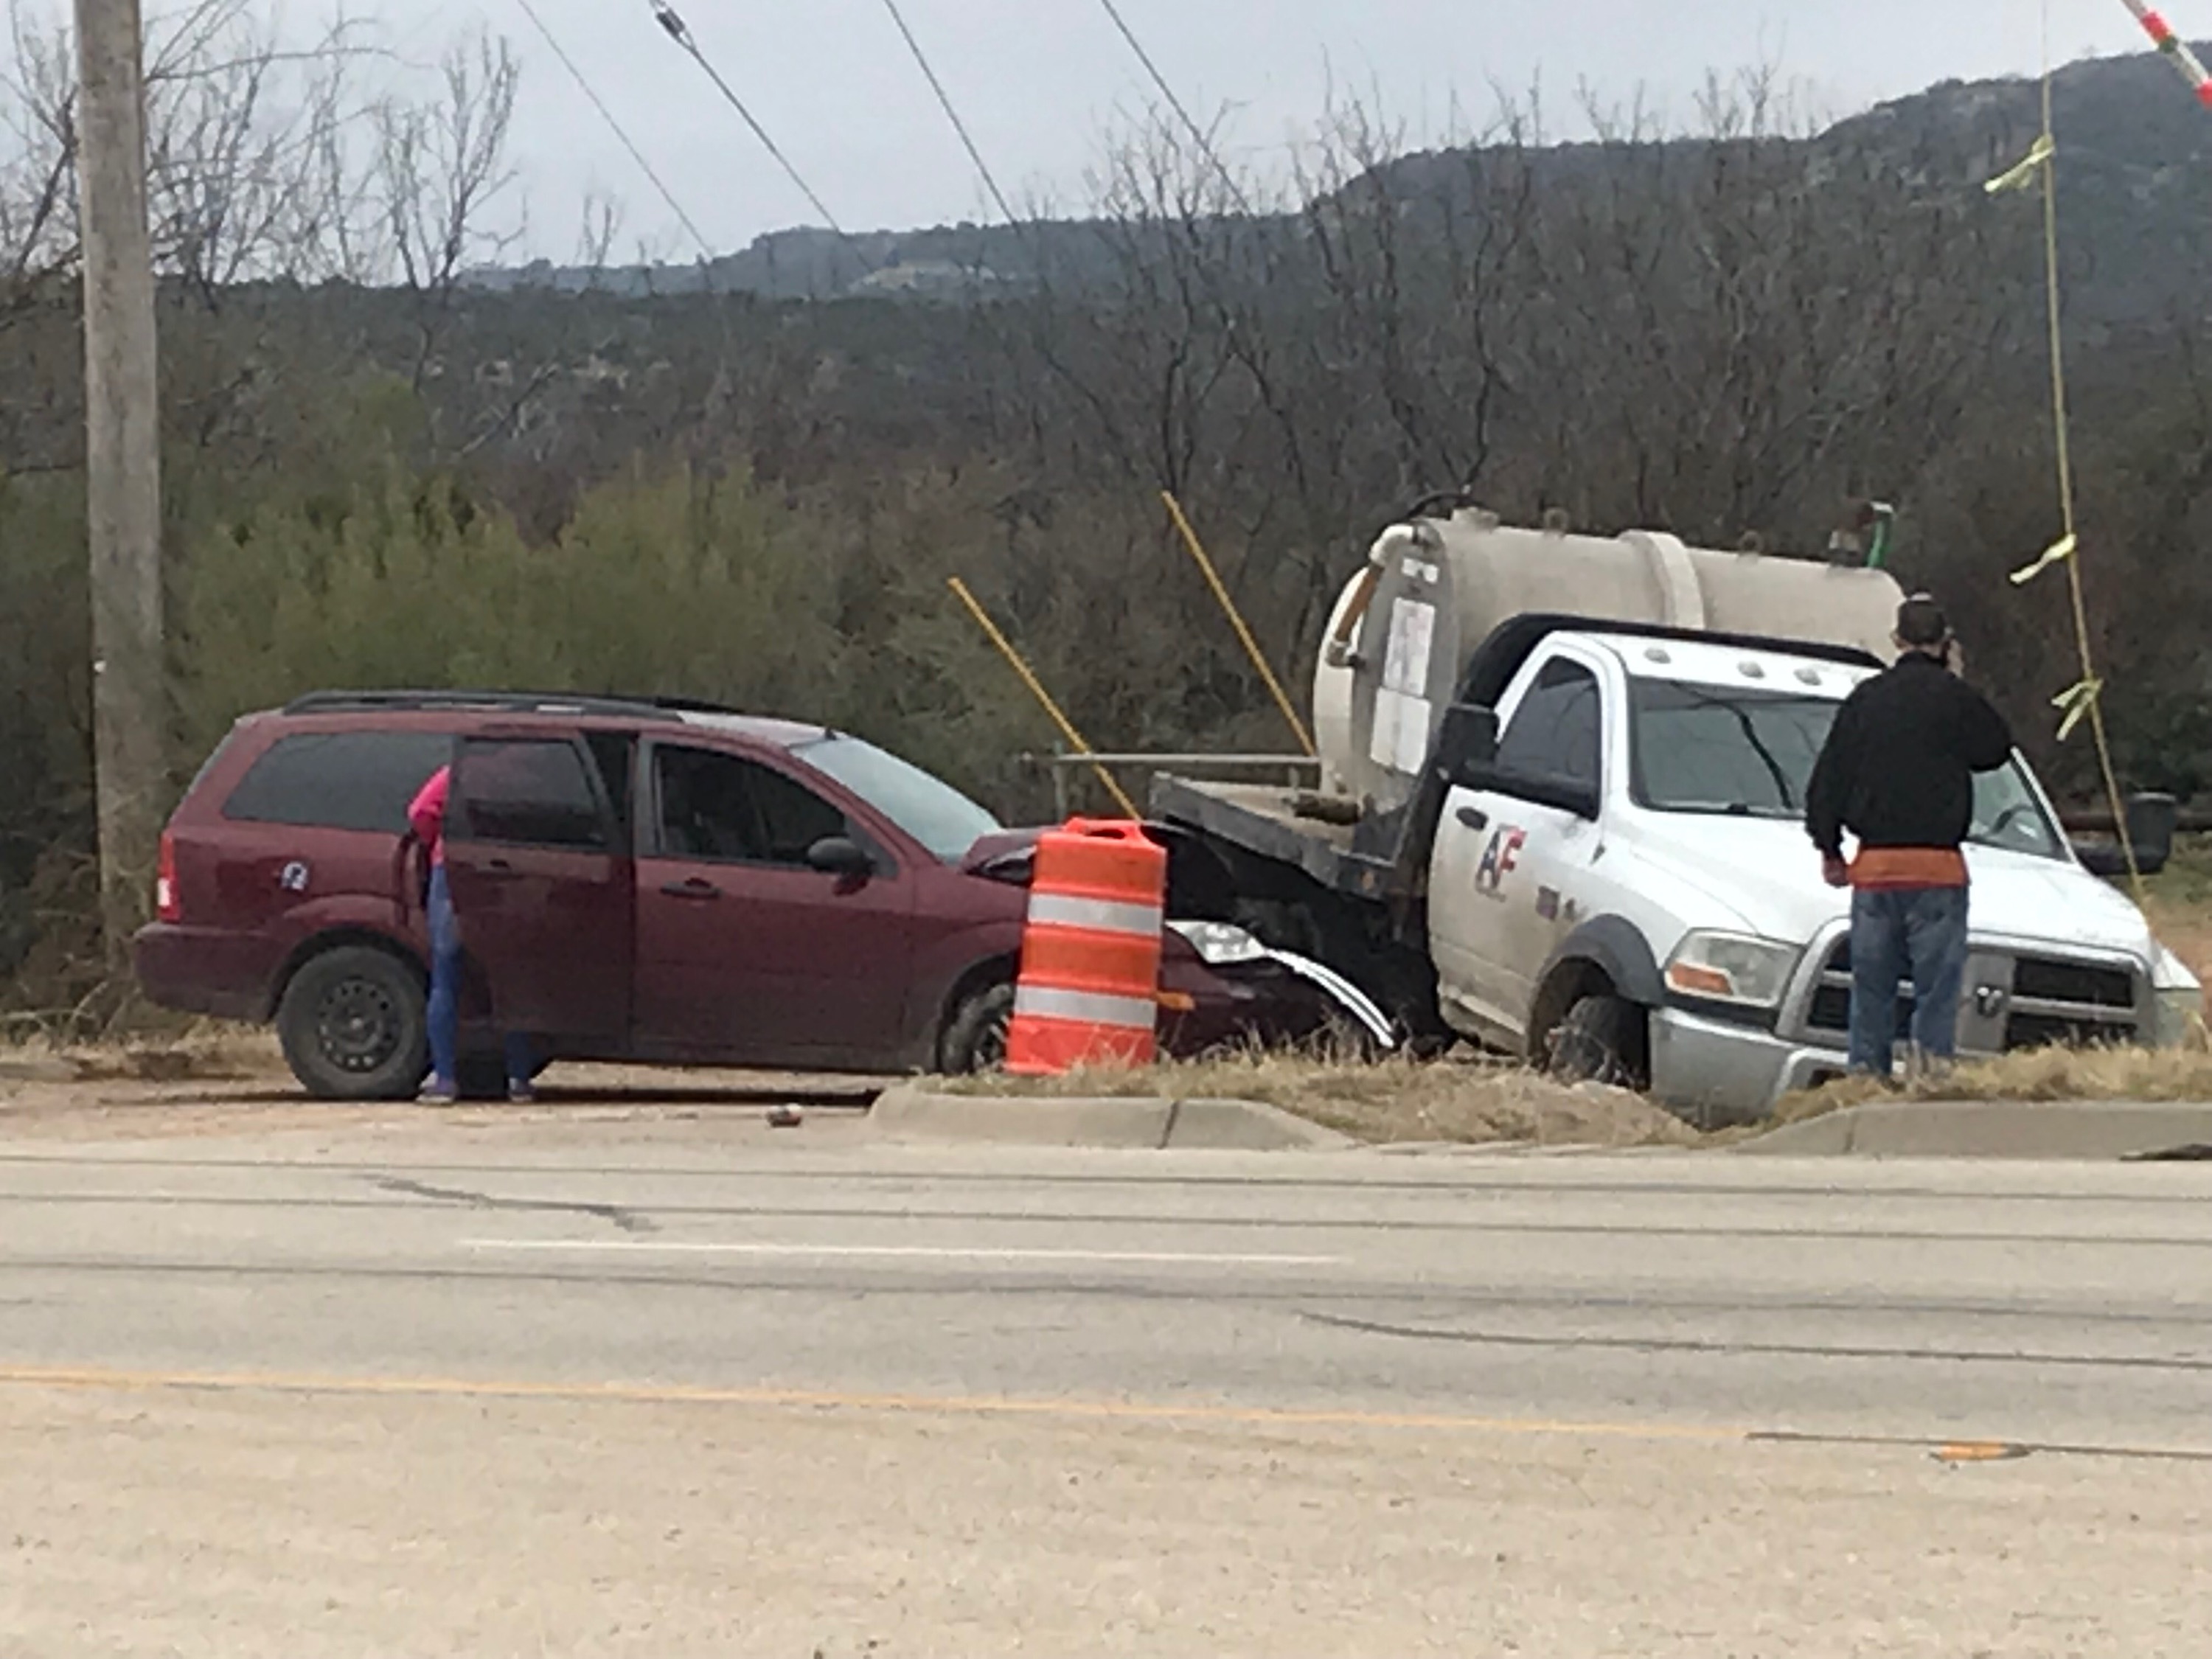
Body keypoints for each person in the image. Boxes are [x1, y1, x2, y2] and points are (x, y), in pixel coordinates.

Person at [1805, 594, 2015, 1079]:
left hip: (1876, 869)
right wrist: (1956, 680)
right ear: (1946, 642)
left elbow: (1828, 780)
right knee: (1936, 993)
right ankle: (1930, 1078)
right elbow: (1994, 749)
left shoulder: (1866, 699)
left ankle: (1866, 1080)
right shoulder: (1954, 698)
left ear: (1897, 640)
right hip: (1938, 870)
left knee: (1872, 991)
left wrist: (1830, 849)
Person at [407, 765, 536, 1105]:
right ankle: (519, 1078)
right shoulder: (525, 774)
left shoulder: (456, 772)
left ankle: (445, 1079)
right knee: (511, 977)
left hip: (452, 871)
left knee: (446, 974)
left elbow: (420, 812)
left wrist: (437, 843)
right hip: (506, 871)